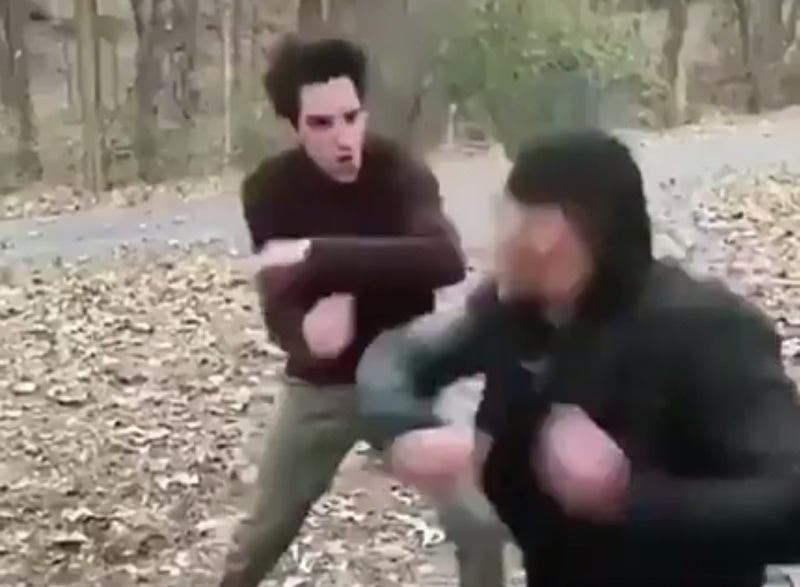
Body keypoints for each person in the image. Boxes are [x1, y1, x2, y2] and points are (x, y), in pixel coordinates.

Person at [356, 129, 800, 587]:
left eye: (503, 214)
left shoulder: (708, 331)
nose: (492, 238)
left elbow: (791, 507)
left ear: (547, 230)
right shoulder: (516, 312)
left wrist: (627, 498)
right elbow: (401, 355)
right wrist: (407, 428)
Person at [217, 35, 505, 587]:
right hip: (323, 386)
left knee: (480, 519)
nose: (343, 138)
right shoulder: (270, 190)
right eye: (321, 123)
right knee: (260, 537)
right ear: (294, 127)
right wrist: (303, 334)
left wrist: (321, 257)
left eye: (351, 117)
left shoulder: (398, 172)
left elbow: (444, 259)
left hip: (407, 369)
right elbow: (279, 299)